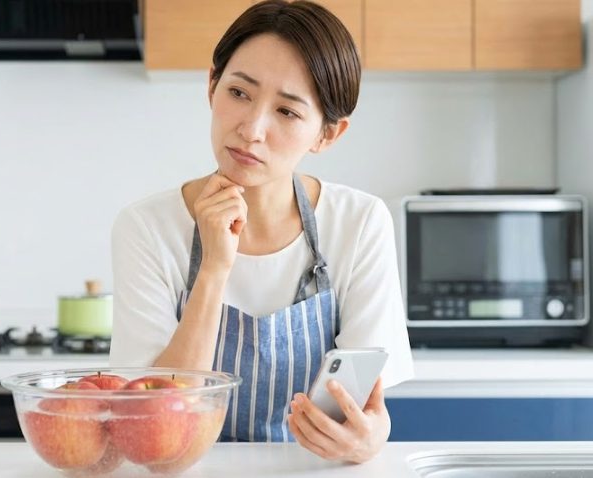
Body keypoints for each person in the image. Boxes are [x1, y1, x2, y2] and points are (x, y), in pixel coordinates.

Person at [109, 0, 413, 463]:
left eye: (287, 112)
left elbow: (365, 406)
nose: (252, 129)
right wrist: (213, 268)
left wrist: (371, 436)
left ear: (327, 135)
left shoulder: (359, 223)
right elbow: (152, 419)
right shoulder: (147, 228)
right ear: (212, 85)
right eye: (239, 93)